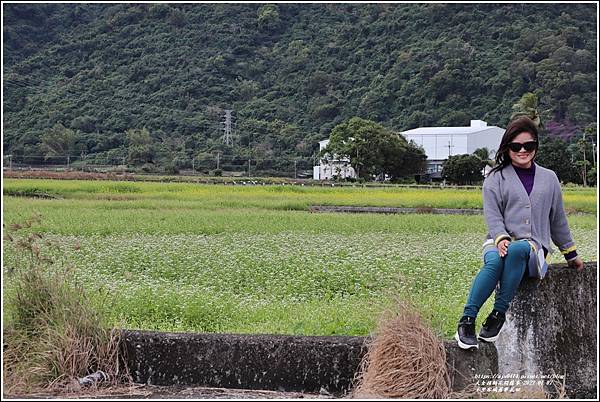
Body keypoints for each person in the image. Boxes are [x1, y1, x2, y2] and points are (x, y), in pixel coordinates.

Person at [455, 116, 584, 350]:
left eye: (529, 146)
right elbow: (493, 216)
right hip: (497, 240)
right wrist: (501, 237)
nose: (523, 150)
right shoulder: (495, 178)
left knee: (518, 249)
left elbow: (558, 221)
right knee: (493, 262)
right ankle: (467, 321)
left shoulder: (550, 178)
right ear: (507, 148)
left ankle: (498, 314)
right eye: (516, 146)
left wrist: (571, 254)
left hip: (534, 247)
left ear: (536, 146)